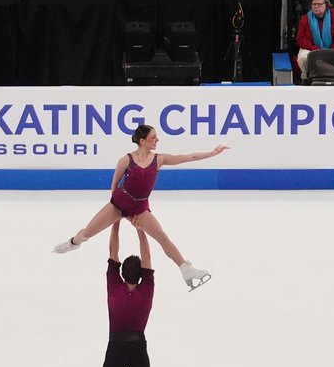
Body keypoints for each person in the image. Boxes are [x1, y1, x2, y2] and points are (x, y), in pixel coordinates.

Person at [51, 123, 223, 292]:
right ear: (142, 141)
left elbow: (189, 157)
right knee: (87, 232)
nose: (157, 140)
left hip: (140, 208)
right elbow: (115, 185)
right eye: (153, 137)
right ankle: (73, 242)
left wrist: (213, 153)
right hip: (118, 204)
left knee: (163, 237)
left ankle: (186, 270)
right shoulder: (126, 160)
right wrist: (118, 212)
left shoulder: (159, 159)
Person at [92, 219, 161, 367]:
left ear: (121, 273)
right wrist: (141, 230)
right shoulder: (147, 289)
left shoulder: (114, 286)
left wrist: (115, 224)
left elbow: (113, 251)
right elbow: (148, 256)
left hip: (116, 348)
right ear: (142, 274)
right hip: (138, 347)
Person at [295, 0, 334, 81]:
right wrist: (315, 49)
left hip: (331, 49)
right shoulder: (305, 18)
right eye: (314, 4)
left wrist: (329, 51)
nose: (316, 7)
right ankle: (307, 78)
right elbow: (300, 39)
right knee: (302, 58)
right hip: (311, 49)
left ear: (326, 5)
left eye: (319, 4)